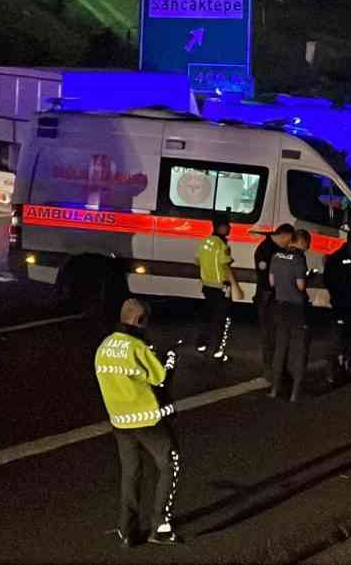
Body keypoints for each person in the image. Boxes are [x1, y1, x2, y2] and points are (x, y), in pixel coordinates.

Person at [95, 299, 182, 546]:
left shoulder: (104, 345)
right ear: (139, 321)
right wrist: (171, 357)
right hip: (146, 418)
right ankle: (161, 527)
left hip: (119, 420)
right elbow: (161, 378)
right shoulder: (137, 348)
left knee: (131, 472)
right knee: (170, 462)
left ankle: (127, 530)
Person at [194, 214, 243, 362]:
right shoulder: (222, 245)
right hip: (221, 287)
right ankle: (217, 351)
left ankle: (201, 344)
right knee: (221, 320)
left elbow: (197, 261)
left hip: (207, 286)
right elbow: (225, 266)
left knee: (208, 316)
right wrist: (236, 286)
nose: (230, 228)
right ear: (221, 227)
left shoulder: (205, 242)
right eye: (228, 225)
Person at [269, 229, 311, 401]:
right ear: (301, 241)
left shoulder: (276, 256)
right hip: (296, 307)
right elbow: (301, 285)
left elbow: (271, 282)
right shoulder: (299, 258)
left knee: (280, 347)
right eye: (308, 244)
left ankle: (274, 389)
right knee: (300, 348)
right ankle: (295, 392)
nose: (308, 248)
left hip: (280, 305)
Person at [324, 229, 351, 383]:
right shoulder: (337, 258)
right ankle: (333, 369)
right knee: (338, 337)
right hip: (342, 304)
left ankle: (348, 364)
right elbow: (330, 281)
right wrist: (346, 287)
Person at [253, 223, 295, 382]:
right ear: (283, 235)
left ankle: (279, 369)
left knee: (280, 336)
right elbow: (265, 278)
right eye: (289, 239)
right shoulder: (265, 250)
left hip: (278, 297)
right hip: (268, 297)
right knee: (269, 336)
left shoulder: (279, 250)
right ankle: (270, 370)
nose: (289, 243)